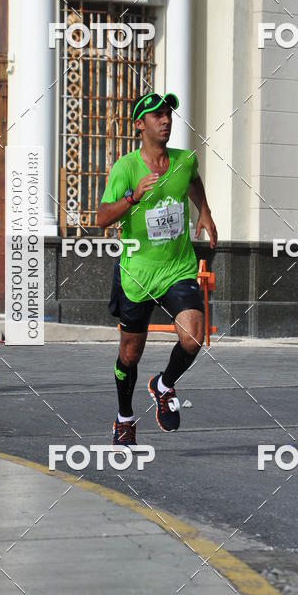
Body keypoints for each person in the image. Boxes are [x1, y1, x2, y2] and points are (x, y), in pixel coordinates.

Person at [97, 92, 217, 446]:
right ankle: (124, 418)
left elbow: (193, 181)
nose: (165, 121)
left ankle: (163, 385)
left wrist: (205, 211)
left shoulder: (184, 160)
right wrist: (132, 197)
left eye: (168, 114)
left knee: (193, 336)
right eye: (157, 115)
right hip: (137, 274)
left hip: (177, 268)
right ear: (140, 124)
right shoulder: (126, 168)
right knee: (129, 355)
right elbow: (102, 218)